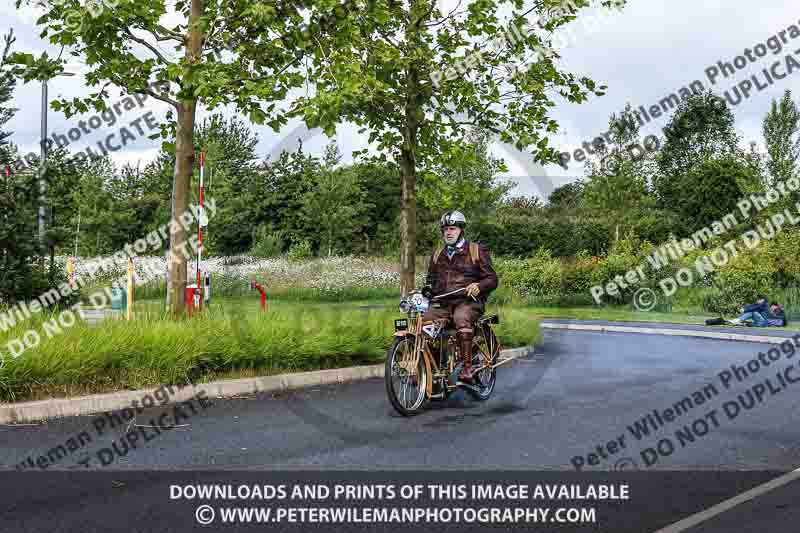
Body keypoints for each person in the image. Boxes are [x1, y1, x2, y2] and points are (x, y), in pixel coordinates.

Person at [422, 210, 498, 382]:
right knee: (424, 320)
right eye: (445, 229)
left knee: (461, 317)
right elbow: (431, 280)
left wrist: (479, 285)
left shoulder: (476, 250)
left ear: (461, 230)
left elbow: (492, 279)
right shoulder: (437, 253)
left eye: (452, 229)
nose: (448, 232)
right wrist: (427, 289)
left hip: (469, 303)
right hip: (443, 304)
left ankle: (467, 368)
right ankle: (429, 371)